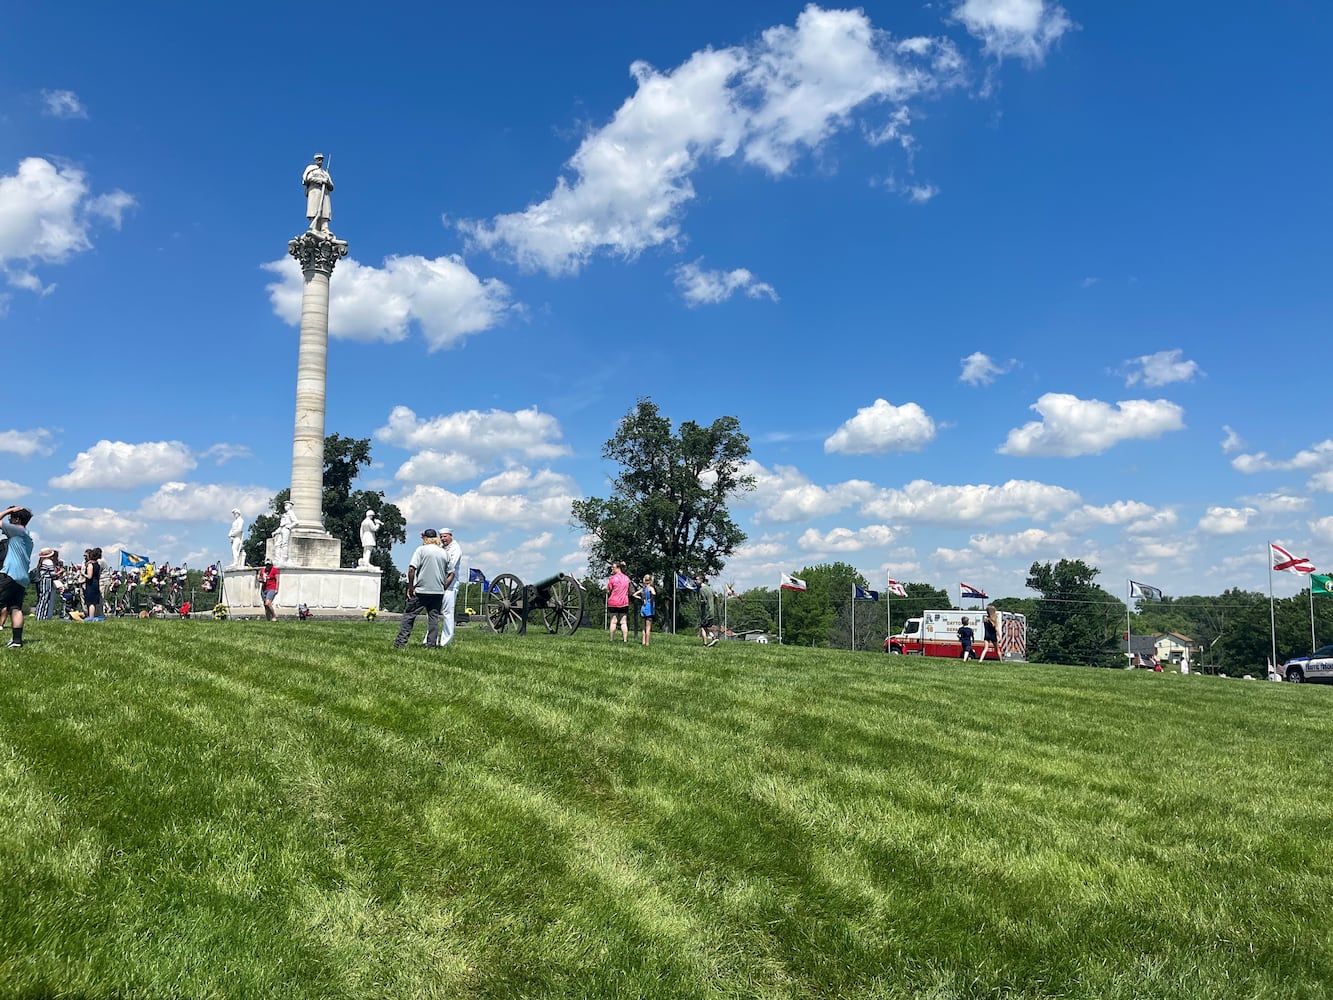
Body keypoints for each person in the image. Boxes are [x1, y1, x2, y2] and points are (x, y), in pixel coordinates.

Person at [394, 528, 451, 648]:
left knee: (409, 616)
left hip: (421, 590)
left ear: (425, 538)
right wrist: (444, 586)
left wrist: (410, 587)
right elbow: (452, 573)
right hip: (437, 591)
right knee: (433, 619)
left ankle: (400, 643)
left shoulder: (421, 550)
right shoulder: (444, 553)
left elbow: (411, 569)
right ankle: (431, 645)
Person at [0, 506, 34, 647]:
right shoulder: (27, 536)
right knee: (15, 608)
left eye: (11, 518)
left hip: (10, 573)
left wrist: (9, 510)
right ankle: (17, 641)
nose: (9, 520)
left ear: (17, 519)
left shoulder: (16, 530)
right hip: (22, 577)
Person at [437, 529, 462, 648]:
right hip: (438, 582)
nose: (443, 539)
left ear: (451, 536)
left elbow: (450, 565)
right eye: (441, 537)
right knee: (434, 612)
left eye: (445, 536)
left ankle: (445, 641)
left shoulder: (455, 548)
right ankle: (431, 639)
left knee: (447, 613)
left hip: (450, 584)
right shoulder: (441, 547)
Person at [303, 153, 334, 235]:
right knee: (314, 208)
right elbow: (307, 178)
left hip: (324, 193)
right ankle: (314, 227)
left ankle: (325, 228)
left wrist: (327, 182)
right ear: (315, 160)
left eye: (321, 159)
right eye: (318, 159)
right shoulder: (311, 169)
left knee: (325, 210)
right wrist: (320, 180)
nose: (320, 160)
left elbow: (332, 186)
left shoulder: (325, 173)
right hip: (315, 191)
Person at [607, 561, 631, 643]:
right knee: (623, 622)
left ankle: (611, 639)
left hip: (613, 602)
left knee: (613, 622)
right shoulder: (627, 578)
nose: (612, 569)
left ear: (618, 568)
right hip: (624, 602)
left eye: (613, 567)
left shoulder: (612, 579)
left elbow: (609, 590)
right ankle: (625, 640)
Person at [34, 548, 59, 620]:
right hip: (47, 580)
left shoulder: (43, 561)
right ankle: (41, 616)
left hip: (43, 579)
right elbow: (52, 573)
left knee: (43, 598)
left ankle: (40, 616)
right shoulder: (48, 562)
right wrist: (59, 573)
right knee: (45, 598)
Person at [696, 574, 719, 646]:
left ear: (701, 580)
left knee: (702, 627)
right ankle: (713, 637)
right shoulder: (709, 588)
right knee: (706, 627)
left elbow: (703, 601)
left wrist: (699, 603)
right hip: (711, 611)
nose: (695, 581)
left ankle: (705, 644)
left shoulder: (702, 590)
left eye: (697, 579)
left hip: (706, 612)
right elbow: (716, 596)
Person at [83, 547, 104, 621]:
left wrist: (83, 574)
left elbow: (89, 576)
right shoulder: (97, 564)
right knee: (94, 601)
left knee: (91, 602)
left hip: (91, 584)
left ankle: (91, 617)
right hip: (96, 583)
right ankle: (92, 615)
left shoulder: (90, 565)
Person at [638, 574, 656, 647]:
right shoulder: (650, 588)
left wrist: (641, 598)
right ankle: (647, 643)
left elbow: (634, 594)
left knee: (643, 627)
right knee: (648, 628)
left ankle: (643, 641)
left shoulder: (643, 589)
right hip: (649, 609)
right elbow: (654, 594)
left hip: (643, 608)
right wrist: (651, 599)